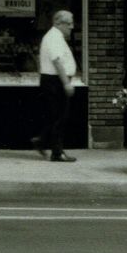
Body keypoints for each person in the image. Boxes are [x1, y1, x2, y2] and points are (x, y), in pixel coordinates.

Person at [31, 10, 78, 162]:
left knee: (56, 116)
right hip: (55, 81)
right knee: (60, 117)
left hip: (53, 81)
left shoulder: (55, 36)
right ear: (58, 23)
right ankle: (57, 153)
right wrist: (66, 83)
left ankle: (41, 140)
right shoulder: (54, 38)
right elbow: (57, 62)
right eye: (69, 23)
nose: (72, 27)